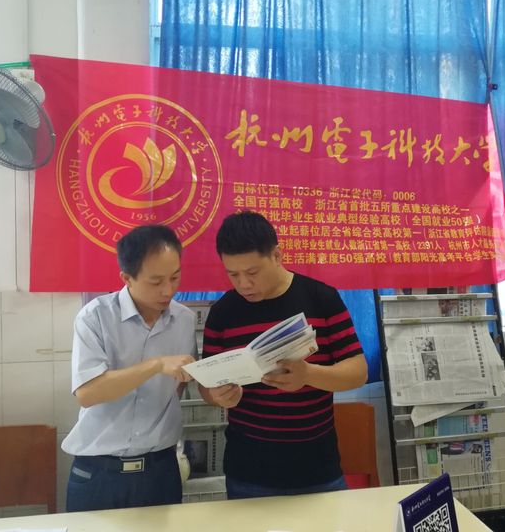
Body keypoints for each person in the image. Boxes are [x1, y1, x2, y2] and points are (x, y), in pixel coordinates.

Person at [199, 211, 368, 499]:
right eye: (233, 274)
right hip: (248, 472)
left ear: (277, 255)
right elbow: (206, 387)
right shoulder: (223, 313)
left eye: (252, 273)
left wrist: (309, 374)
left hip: (318, 468)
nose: (243, 284)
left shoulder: (321, 298)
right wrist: (217, 396)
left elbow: (358, 372)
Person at [61, 225, 197, 511]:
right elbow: (87, 393)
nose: (168, 289)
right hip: (99, 473)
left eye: (175, 277)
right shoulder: (95, 317)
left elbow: (180, 382)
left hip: (160, 472)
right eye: (155, 281)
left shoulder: (184, 320)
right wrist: (156, 365)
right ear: (127, 278)